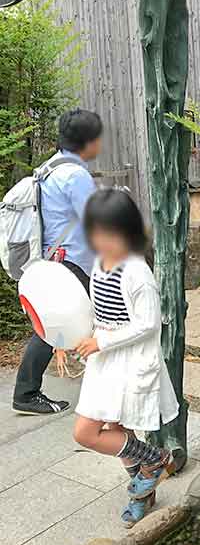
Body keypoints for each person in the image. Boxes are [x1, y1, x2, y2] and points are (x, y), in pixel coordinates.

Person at [72, 188, 178, 526]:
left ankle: (149, 473)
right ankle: (151, 470)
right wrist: (68, 338)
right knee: (112, 431)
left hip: (129, 362)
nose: (100, 240)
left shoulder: (137, 272)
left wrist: (101, 342)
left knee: (89, 432)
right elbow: (96, 309)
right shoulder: (100, 264)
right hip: (104, 360)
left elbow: (148, 325)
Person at [13, 109, 103, 416]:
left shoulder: (49, 167)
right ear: (87, 142)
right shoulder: (75, 175)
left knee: (55, 325)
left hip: (55, 258)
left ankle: (26, 391)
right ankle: (28, 392)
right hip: (75, 262)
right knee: (91, 322)